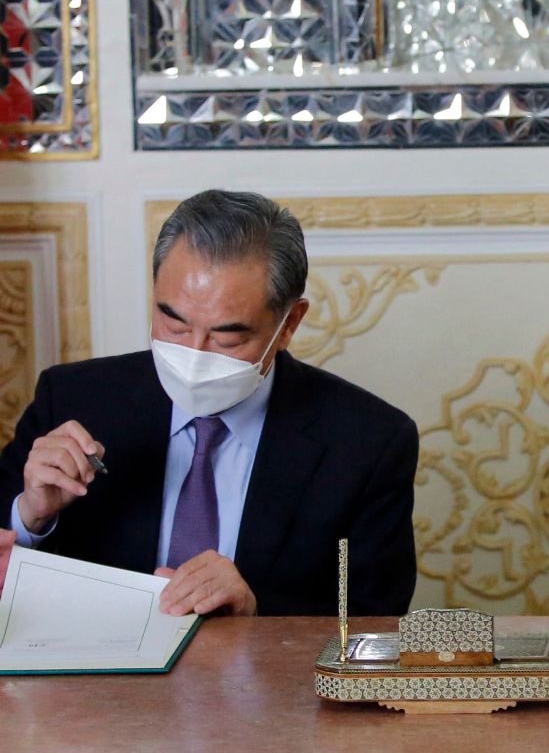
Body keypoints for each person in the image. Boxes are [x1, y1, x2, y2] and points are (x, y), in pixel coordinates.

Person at [0, 190, 418, 618]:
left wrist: (257, 614)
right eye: (174, 323)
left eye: (227, 337)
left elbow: (375, 619)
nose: (195, 355)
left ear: (289, 323)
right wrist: (30, 517)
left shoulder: (369, 442)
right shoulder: (73, 397)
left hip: (262, 683)